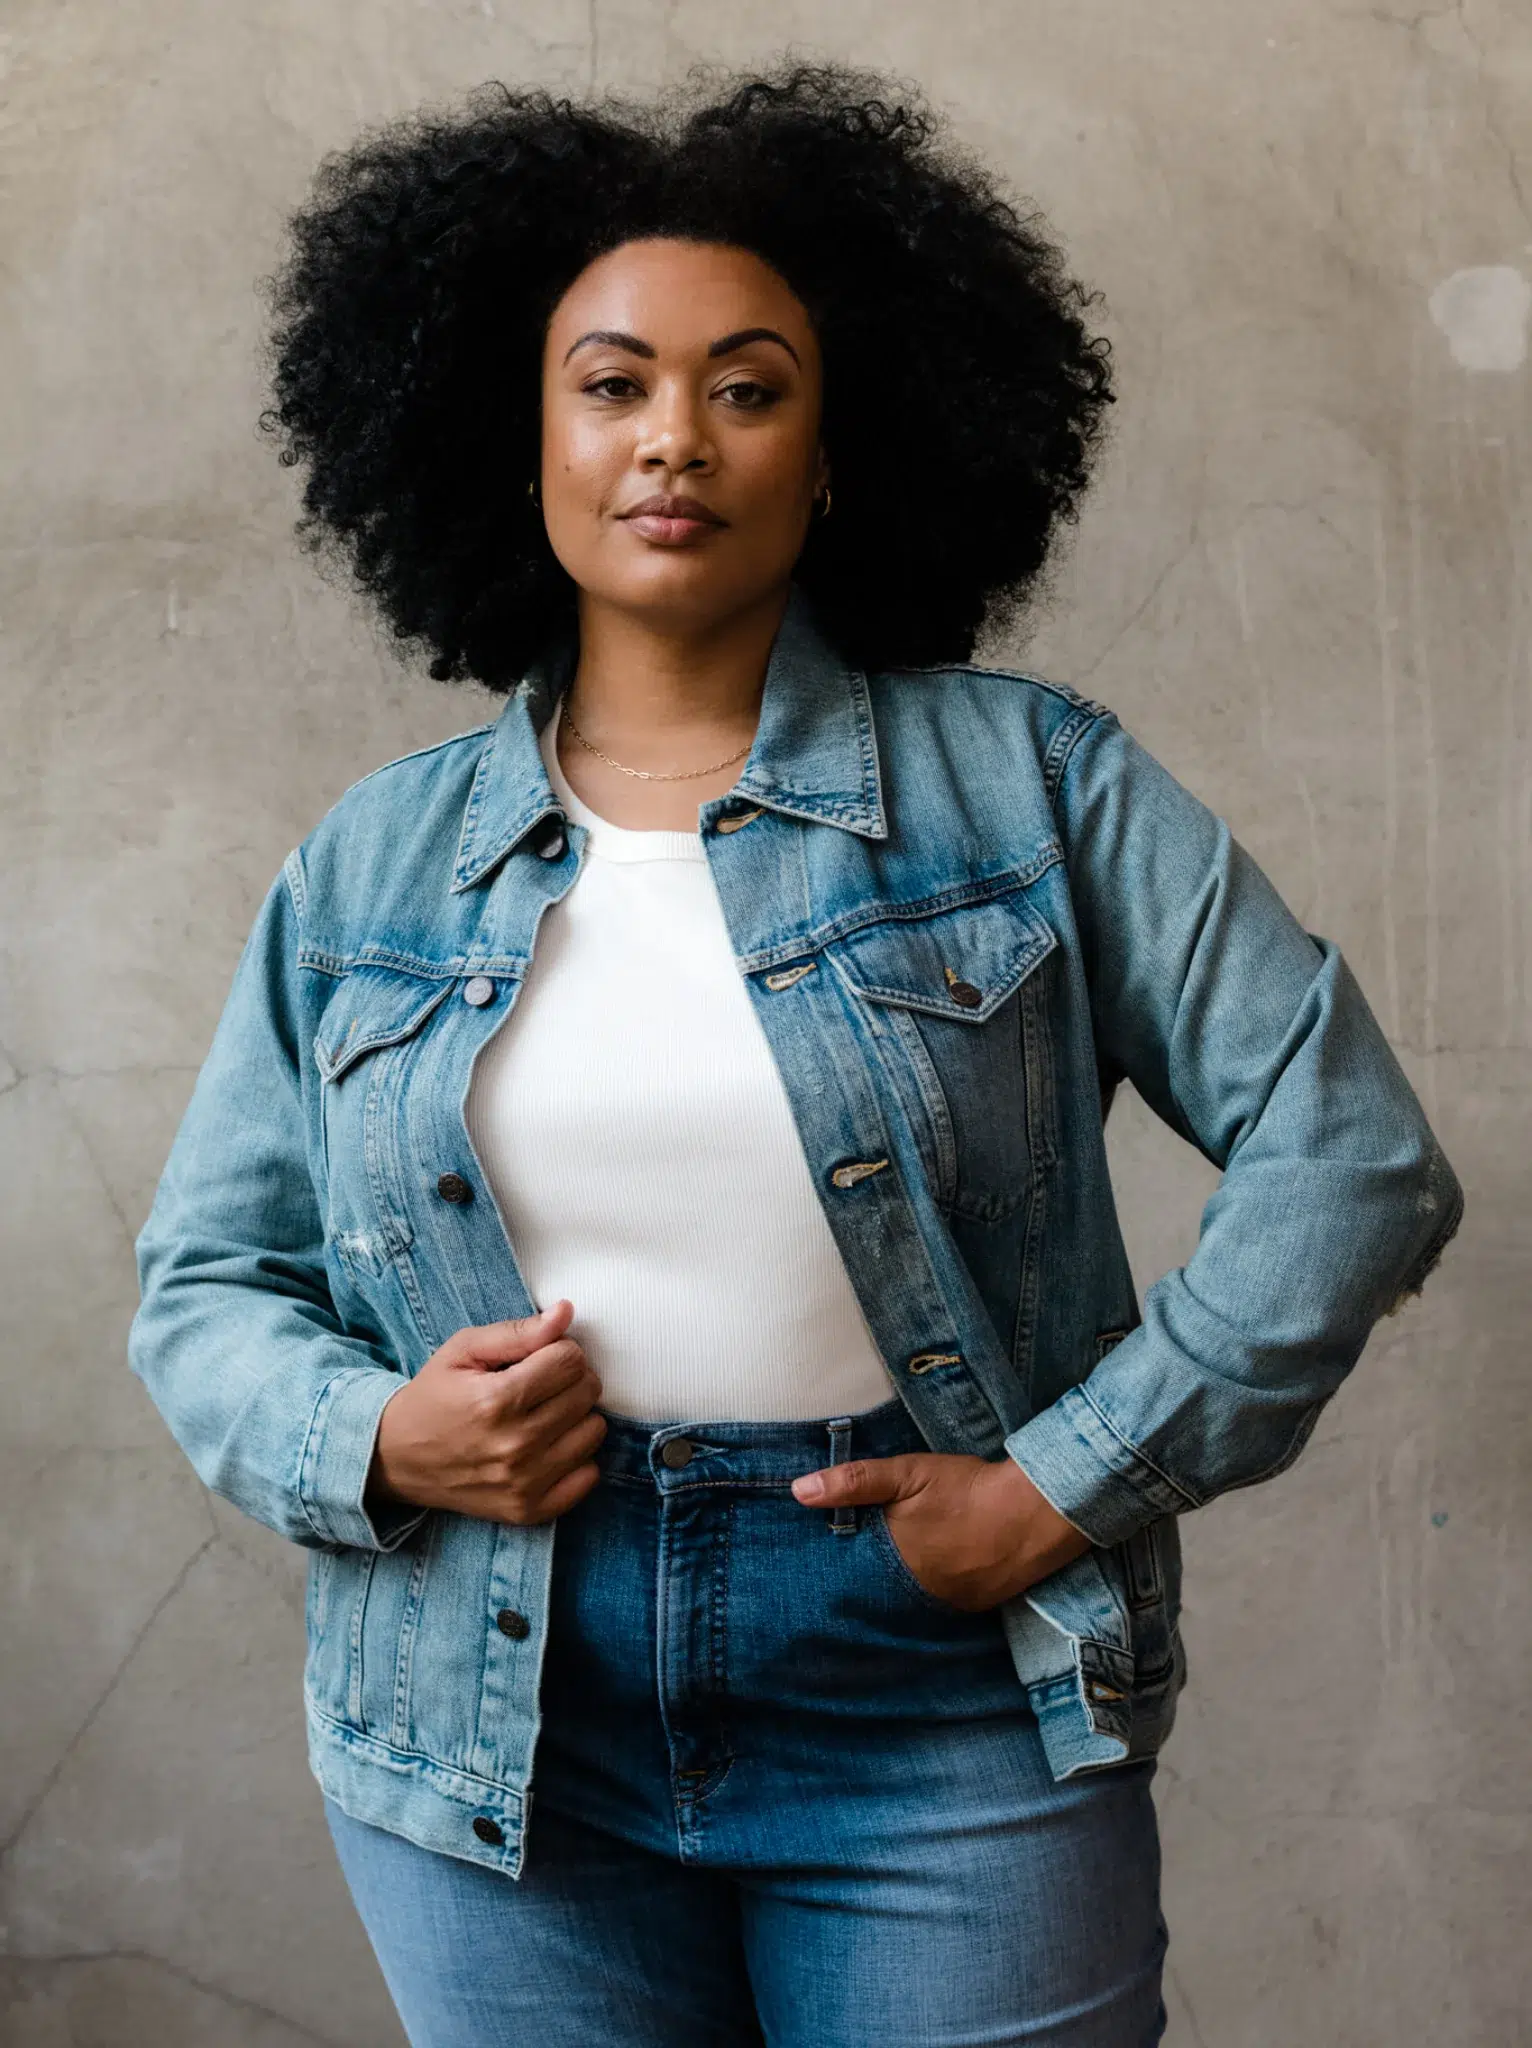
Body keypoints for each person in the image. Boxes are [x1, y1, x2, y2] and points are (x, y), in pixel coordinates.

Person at [127, 58, 1463, 2048]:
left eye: (747, 389)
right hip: (492, 1707)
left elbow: (1351, 1157)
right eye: (612, 385)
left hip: (933, 1681)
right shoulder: (371, 865)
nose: (675, 437)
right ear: (518, 438)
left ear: (837, 453)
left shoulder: (1033, 789)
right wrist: (380, 1439)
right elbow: (207, 1282)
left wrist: (1062, 1488)